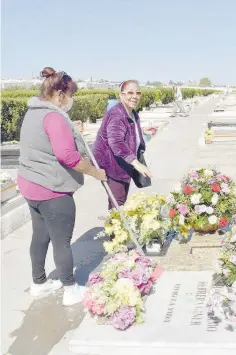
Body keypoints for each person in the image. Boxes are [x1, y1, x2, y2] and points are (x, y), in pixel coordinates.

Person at [17, 67, 107, 306]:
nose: (71, 100)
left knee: (40, 236)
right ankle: (70, 289)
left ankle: (38, 283)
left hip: (31, 187)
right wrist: (96, 173)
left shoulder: (34, 112)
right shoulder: (54, 117)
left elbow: (46, 140)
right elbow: (68, 156)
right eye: (70, 95)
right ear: (59, 94)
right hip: (52, 190)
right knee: (61, 242)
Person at [93, 80, 152, 210]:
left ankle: (116, 228)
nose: (134, 96)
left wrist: (143, 133)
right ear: (121, 95)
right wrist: (136, 163)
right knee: (117, 204)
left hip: (124, 164)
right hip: (112, 166)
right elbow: (116, 142)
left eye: (138, 93)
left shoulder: (133, 113)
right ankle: (114, 230)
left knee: (120, 201)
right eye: (130, 92)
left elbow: (127, 133)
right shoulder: (117, 114)